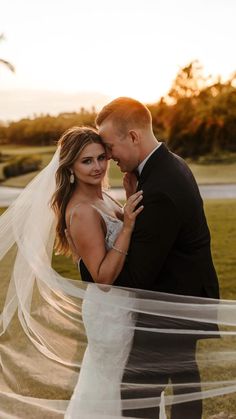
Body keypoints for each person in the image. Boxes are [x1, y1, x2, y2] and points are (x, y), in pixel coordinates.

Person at [77, 97, 220, 419]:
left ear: (133, 137)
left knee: (136, 396)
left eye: (110, 147)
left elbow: (137, 275)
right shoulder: (169, 165)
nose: (108, 156)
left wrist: (91, 271)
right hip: (184, 299)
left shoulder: (160, 185)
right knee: (184, 382)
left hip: (167, 308)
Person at [50, 126, 144, 418]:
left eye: (101, 157)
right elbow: (103, 278)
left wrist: (128, 199)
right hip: (110, 312)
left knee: (123, 386)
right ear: (71, 167)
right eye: (86, 161)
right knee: (109, 386)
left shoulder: (104, 196)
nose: (98, 167)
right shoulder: (81, 212)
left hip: (125, 305)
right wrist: (127, 226)